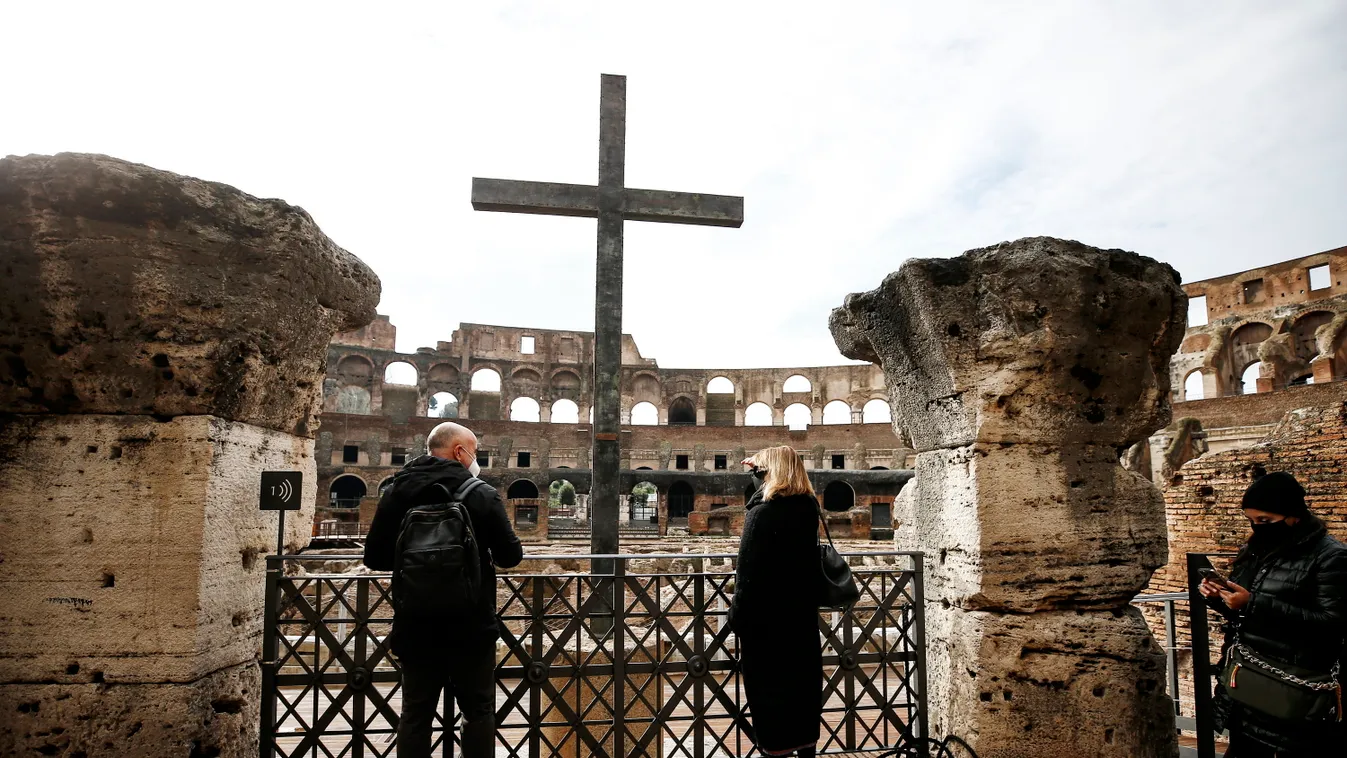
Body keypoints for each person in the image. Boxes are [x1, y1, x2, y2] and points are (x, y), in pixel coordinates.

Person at [363, 421, 523, 758]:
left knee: (415, 715)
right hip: (471, 626)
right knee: (479, 713)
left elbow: (375, 557)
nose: (476, 458)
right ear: (459, 452)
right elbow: (511, 557)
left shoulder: (395, 491)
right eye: (475, 452)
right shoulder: (479, 493)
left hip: (415, 624)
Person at [1200, 470, 1347, 757]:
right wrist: (1221, 600)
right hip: (1247, 686)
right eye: (1252, 521)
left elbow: (1333, 624)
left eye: (1265, 521)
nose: (1258, 528)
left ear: (1293, 515)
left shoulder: (1332, 557)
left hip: (1290, 690)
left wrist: (1252, 604)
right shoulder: (1256, 550)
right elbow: (1246, 617)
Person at [728, 446, 823, 757]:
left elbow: (748, 572)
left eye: (758, 472)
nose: (755, 477)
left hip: (766, 623)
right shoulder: (808, 508)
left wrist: (737, 619)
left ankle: (777, 749)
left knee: (770, 694)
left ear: (767, 475)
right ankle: (806, 746)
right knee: (802, 690)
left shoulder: (762, 514)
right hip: (801, 617)